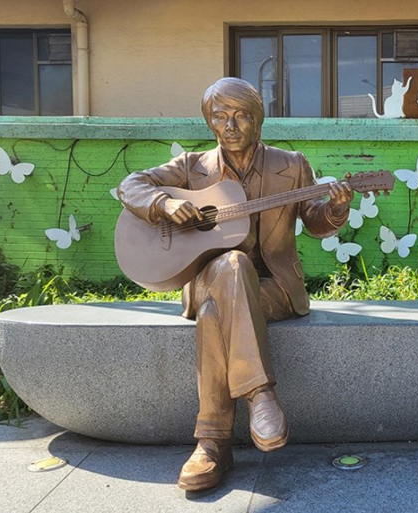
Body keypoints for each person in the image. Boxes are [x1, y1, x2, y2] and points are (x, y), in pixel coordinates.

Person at [117, 77, 353, 492]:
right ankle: (259, 393)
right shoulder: (192, 167)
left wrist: (335, 210)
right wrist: (165, 203)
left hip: (273, 288)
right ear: (210, 122)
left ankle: (211, 443)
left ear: (258, 120)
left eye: (241, 116)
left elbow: (313, 221)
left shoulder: (292, 164)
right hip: (213, 280)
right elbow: (129, 185)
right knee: (229, 267)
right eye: (220, 116)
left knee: (215, 310)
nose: (230, 125)